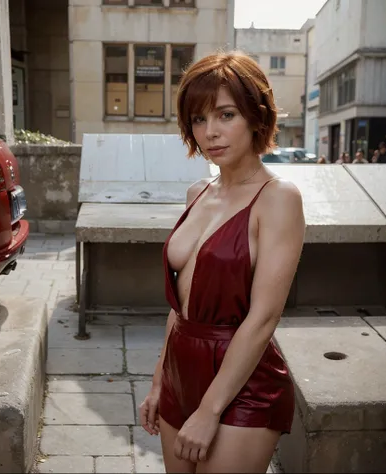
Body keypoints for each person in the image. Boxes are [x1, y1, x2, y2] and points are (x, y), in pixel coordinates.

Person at [139, 51, 305, 473]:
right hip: (181, 366)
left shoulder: (279, 198)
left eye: (225, 114)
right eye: (198, 119)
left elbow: (264, 318)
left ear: (256, 116)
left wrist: (210, 409)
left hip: (243, 378)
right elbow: (179, 305)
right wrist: (161, 379)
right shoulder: (198, 192)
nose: (210, 132)